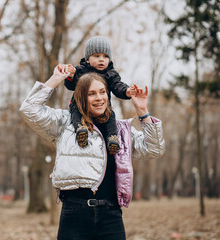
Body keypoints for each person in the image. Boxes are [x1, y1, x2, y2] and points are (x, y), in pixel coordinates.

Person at [19, 64, 165, 240]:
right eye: (91, 93)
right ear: (81, 97)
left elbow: (154, 149)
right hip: (74, 213)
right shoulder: (65, 123)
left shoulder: (120, 130)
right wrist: (56, 78)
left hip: (111, 215)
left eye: (103, 92)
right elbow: (29, 110)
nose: (99, 98)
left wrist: (142, 111)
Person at [65, 36, 136, 154]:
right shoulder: (81, 71)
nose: (101, 59)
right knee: (75, 109)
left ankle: (112, 138)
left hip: (101, 109)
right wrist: (71, 76)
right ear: (87, 59)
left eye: (105, 56)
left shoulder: (111, 74)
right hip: (81, 106)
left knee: (111, 115)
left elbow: (117, 85)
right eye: (97, 56)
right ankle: (80, 129)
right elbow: (70, 85)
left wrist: (126, 91)